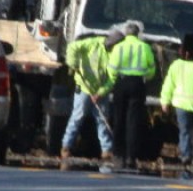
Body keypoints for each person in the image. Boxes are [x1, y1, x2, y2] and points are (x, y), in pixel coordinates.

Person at [60, 27, 125, 171]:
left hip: (101, 91)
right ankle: (66, 147)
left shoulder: (116, 55)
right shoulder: (93, 43)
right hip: (84, 87)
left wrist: (100, 92)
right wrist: (73, 63)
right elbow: (72, 47)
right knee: (77, 117)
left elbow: (112, 79)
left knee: (102, 119)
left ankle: (107, 151)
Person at [107, 20, 156, 170]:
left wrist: (115, 80)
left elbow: (111, 68)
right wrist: (144, 77)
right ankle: (131, 157)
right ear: (137, 34)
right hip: (138, 84)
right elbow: (152, 70)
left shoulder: (118, 47)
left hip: (121, 83)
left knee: (119, 120)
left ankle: (117, 156)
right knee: (133, 122)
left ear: (126, 34)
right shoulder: (145, 47)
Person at [160, 34, 193, 174]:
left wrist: (165, 102)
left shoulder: (176, 66)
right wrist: (165, 100)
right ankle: (188, 155)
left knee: (186, 131)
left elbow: (168, 85)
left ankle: (187, 155)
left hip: (182, 105)